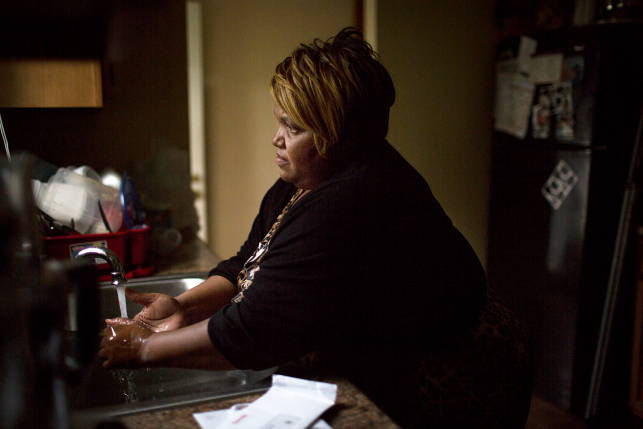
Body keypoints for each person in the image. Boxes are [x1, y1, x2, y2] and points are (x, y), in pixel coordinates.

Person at [99, 28, 533, 428]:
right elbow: (248, 261)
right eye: (280, 120)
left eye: (294, 126)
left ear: (340, 136)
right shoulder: (304, 181)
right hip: (399, 345)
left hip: (458, 364)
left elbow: (253, 330)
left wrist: (139, 349)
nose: (277, 137)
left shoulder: (351, 200)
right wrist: (186, 307)